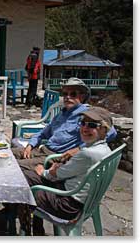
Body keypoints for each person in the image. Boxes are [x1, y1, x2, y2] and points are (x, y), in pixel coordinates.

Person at [20, 106, 114, 235]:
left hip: (67, 205)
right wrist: (55, 170)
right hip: (75, 196)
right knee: (28, 177)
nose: (85, 128)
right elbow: (66, 172)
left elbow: (55, 175)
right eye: (82, 123)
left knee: (24, 188)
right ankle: (36, 230)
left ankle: (25, 228)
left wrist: (44, 171)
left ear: (104, 129)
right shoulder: (104, 149)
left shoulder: (87, 153)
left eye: (92, 125)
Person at [12, 77, 117, 171]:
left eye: (73, 94)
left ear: (82, 96)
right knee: (5, 154)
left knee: (13, 165)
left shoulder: (87, 115)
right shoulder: (62, 114)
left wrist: (80, 149)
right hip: (42, 150)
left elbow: (111, 132)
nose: (67, 97)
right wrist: (30, 145)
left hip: (55, 157)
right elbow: (43, 133)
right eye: (65, 94)